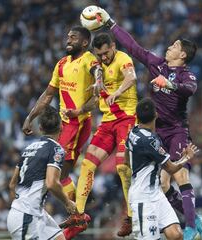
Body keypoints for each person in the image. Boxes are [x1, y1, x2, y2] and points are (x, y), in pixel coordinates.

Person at [94, 7, 202, 240]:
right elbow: (134, 48)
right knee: (164, 187)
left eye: (175, 46)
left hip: (177, 131)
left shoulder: (187, 75)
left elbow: (191, 89)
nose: (169, 47)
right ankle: (195, 218)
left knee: (181, 177)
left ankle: (191, 227)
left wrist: (169, 84)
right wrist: (111, 24)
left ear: (183, 55)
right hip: (157, 132)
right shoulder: (157, 65)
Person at [61, 32, 137, 239]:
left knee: (122, 166)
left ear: (113, 46)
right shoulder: (96, 67)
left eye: (106, 53)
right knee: (87, 164)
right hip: (107, 122)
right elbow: (96, 99)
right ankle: (78, 214)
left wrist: (116, 93)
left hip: (127, 119)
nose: (104, 58)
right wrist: (79, 111)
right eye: (100, 55)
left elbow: (132, 78)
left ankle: (130, 217)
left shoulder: (123, 59)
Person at [22, 26, 104, 203]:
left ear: (84, 42)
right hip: (64, 124)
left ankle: (77, 211)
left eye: (73, 37)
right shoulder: (61, 64)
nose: (68, 40)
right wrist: (30, 117)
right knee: (58, 173)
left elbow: (97, 70)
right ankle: (76, 211)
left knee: (57, 171)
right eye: (68, 37)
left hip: (77, 122)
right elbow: (48, 94)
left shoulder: (88, 59)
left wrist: (98, 81)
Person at [125, 98, 198, 240]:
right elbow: (171, 168)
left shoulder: (133, 131)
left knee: (176, 235)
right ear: (156, 115)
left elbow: (126, 159)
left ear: (137, 116)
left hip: (156, 194)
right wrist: (187, 157)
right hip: (143, 199)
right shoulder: (151, 141)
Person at [7, 106, 77, 240]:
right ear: (61, 127)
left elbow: (12, 184)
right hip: (26, 217)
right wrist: (67, 202)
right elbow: (51, 183)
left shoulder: (29, 147)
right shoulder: (56, 149)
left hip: (32, 213)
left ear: (40, 128)